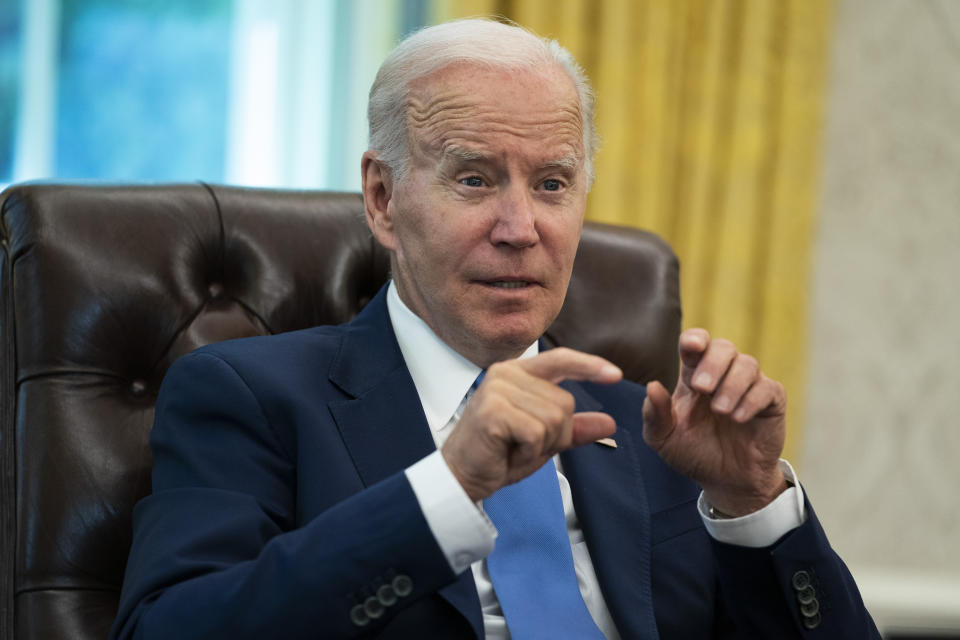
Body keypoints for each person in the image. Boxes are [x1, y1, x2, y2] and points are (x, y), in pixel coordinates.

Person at [111, 18, 879, 639]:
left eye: (552, 184)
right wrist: (450, 487)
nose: (521, 228)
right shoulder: (252, 396)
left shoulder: (652, 426)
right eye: (474, 179)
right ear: (382, 198)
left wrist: (753, 504)